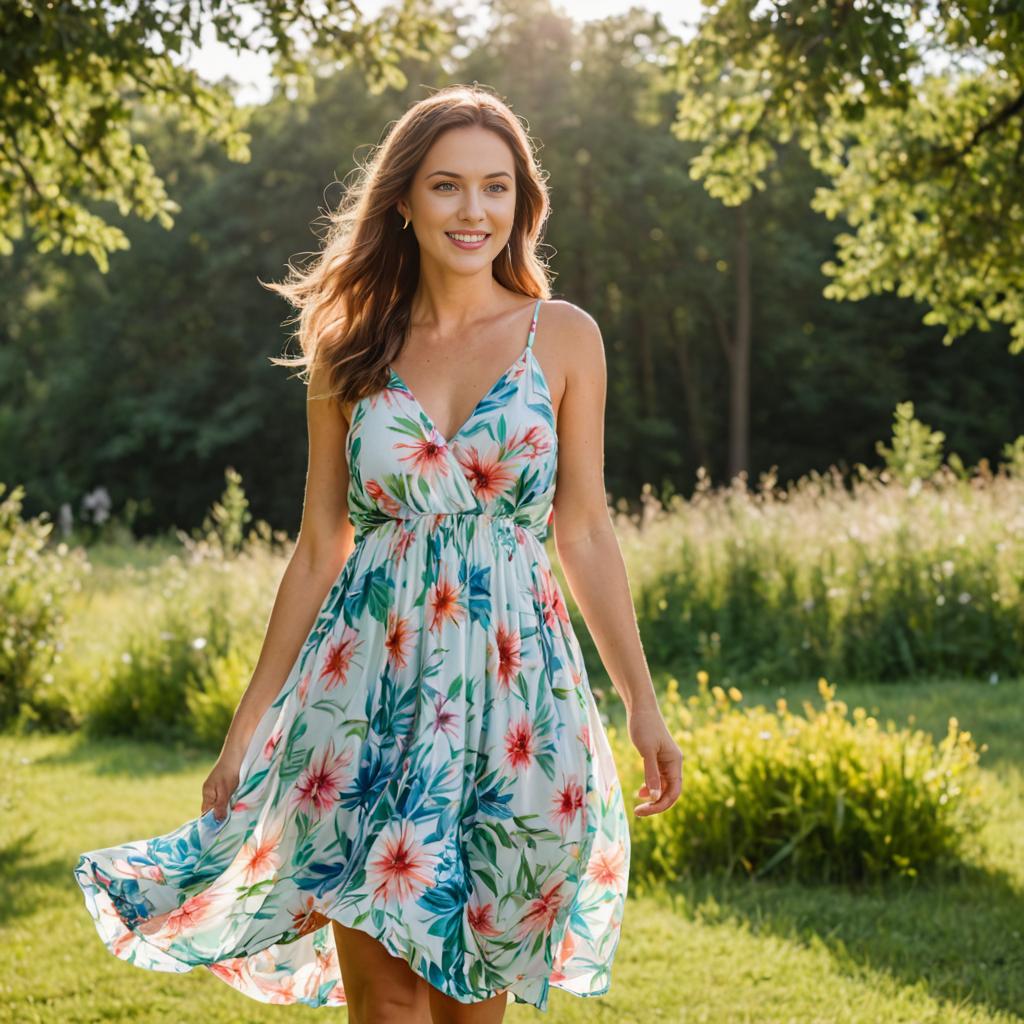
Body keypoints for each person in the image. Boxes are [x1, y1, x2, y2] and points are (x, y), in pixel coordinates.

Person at [73, 83, 683, 1023]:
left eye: (495, 187)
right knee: (386, 1009)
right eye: (446, 186)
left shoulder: (562, 338)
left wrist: (643, 708)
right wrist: (246, 730)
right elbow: (321, 545)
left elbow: (586, 530)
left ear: (523, 202)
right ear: (403, 200)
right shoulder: (348, 347)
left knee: (468, 1000)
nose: (472, 211)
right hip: (365, 699)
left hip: (514, 704)